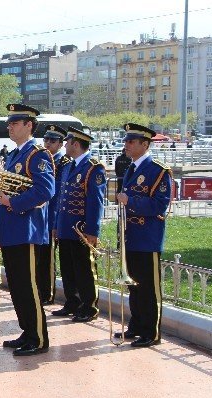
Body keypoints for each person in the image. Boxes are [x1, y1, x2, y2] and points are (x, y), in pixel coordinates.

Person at [0, 104, 54, 356]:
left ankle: (38, 337)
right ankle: (27, 331)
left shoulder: (37, 155)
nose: (9, 126)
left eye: (15, 123)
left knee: (28, 286)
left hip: (27, 230)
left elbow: (45, 191)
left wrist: (12, 202)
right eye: (9, 123)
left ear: (29, 125)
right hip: (12, 229)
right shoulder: (15, 155)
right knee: (17, 287)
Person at [116, 123, 172, 348]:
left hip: (147, 238)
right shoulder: (131, 168)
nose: (126, 145)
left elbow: (160, 205)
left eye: (131, 141)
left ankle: (151, 332)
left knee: (148, 288)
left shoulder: (158, 170)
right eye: (126, 140)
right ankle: (137, 326)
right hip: (131, 237)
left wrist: (131, 202)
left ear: (145, 144)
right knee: (135, 287)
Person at [52, 127, 106, 322]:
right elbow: (61, 199)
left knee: (84, 268)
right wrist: (57, 225)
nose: (64, 144)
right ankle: (72, 302)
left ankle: (89, 306)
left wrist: (93, 231)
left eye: (67, 141)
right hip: (66, 226)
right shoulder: (68, 166)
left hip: (82, 230)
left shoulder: (93, 167)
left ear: (76, 144)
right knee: (67, 267)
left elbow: (95, 202)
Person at [37, 125, 71, 305]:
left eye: (52, 141)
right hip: (40, 216)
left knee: (48, 258)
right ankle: (40, 290)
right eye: (46, 140)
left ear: (61, 144)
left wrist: (56, 221)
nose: (48, 144)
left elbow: (59, 195)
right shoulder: (44, 159)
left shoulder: (63, 163)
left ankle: (47, 293)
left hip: (52, 216)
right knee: (40, 257)